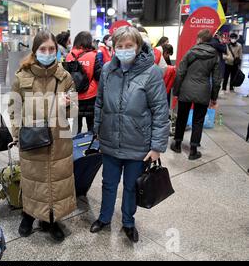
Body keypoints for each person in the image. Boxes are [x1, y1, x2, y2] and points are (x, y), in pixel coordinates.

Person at [90, 26, 170, 243]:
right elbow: (100, 103)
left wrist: (157, 146)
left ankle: (128, 222)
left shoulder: (151, 72)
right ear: (113, 48)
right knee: (108, 183)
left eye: (129, 46)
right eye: (119, 46)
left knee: (131, 187)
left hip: (138, 144)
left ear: (138, 46)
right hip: (110, 140)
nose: (124, 50)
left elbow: (161, 111)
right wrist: (97, 130)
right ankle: (104, 218)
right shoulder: (107, 69)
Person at [9, 30, 77, 242]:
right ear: (35, 51)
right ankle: (28, 215)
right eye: (43, 49)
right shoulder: (22, 77)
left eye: (51, 49)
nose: (47, 53)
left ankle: (51, 220)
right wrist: (18, 135)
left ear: (57, 51)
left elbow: (74, 110)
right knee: (33, 180)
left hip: (59, 140)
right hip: (32, 139)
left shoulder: (65, 77)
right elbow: (14, 109)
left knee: (55, 181)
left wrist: (68, 104)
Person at [171, 29, 221, 160]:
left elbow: (180, 73)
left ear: (199, 39)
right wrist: (214, 97)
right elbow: (216, 80)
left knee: (181, 117)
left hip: (186, 89)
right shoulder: (215, 55)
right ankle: (193, 150)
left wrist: (176, 91)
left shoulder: (190, 52)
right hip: (203, 91)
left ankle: (177, 144)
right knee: (198, 121)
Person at [65, 31, 102, 134]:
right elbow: (99, 76)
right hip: (90, 95)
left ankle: (75, 146)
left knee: (76, 125)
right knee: (91, 124)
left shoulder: (69, 56)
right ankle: (90, 146)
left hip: (73, 96)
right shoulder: (93, 56)